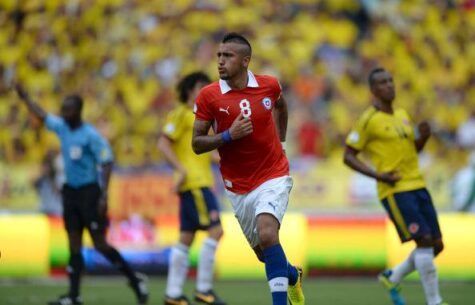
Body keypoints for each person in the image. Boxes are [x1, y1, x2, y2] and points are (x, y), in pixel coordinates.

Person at [191, 33, 305, 305]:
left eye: (227, 56)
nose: (220, 61)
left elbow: (281, 105)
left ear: (245, 61)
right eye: (219, 55)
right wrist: (229, 135)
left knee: (268, 234)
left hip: (273, 174)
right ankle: (292, 275)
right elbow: (196, 143)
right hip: (238, 186)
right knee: (265, 253)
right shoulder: (209, 96)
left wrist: (282, 141)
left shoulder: (269, 85)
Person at [14, 84, 149, 305]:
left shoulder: (90, 135)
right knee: (73, 243)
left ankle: (135, 280)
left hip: (89, 193)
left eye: (68, 110)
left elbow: (106, 162)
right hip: (71, 193)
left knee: (99, 244)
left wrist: (104, 195)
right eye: (63, 110)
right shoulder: (63, 127)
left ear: (78, 111)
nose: (65, 114)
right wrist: (26, 97)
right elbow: (43, 114)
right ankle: (73, 295)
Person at [343, 68, 448, 305]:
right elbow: (348, 156)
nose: (389, 85)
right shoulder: (368, 119)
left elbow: (414, 150)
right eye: (382, 83)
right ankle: (435, 301)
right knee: (423, 241)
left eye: (391, 80)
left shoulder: (401, 114)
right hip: (395, 189)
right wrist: (378, 175)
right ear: (373, 90)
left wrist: (423, 138)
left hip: (418, 184)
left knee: (437, 245)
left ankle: (394, 276)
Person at [158, 72, 226, 305]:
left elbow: (211, 154)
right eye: (200, 87)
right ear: (188, 90)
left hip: (197, 182)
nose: (204, 91)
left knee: (186, 237)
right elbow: (163, 143)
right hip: (196, 183)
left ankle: (173, 293)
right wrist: (182, 170)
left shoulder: (199, 118)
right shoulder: (181, 114)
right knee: (216, 231)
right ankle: (204, 289)